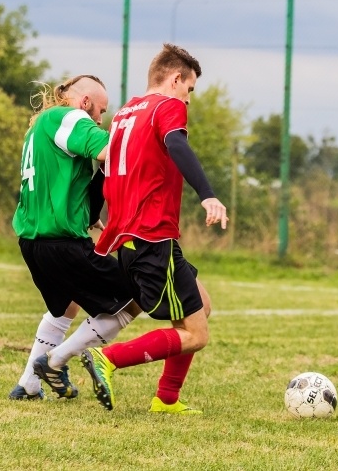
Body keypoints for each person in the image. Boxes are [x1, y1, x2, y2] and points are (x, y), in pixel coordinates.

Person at [83, 44, 228, 414]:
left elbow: (107, 167)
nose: (188, 100)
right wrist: (208, 195)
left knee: (202, 306)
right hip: (151, 235)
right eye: (190, 89)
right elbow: (176, 144)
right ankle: (109, 359)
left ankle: (166, 399)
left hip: (132, 236)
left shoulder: (124, 114)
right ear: (175, 79)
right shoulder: (168, 106)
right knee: (196, 335)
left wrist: (94, 213)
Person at [9, 74, 142, 401]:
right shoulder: (70, 116)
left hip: (33, 241)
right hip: (61, 243)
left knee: (64, 307)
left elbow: (60, 178)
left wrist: (85, 210)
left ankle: (28, 384)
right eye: (100, 111)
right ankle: (54, 362)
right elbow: (109, 151)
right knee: (135, 297)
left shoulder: (40, 126)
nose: (99, 120)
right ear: (84, 102)